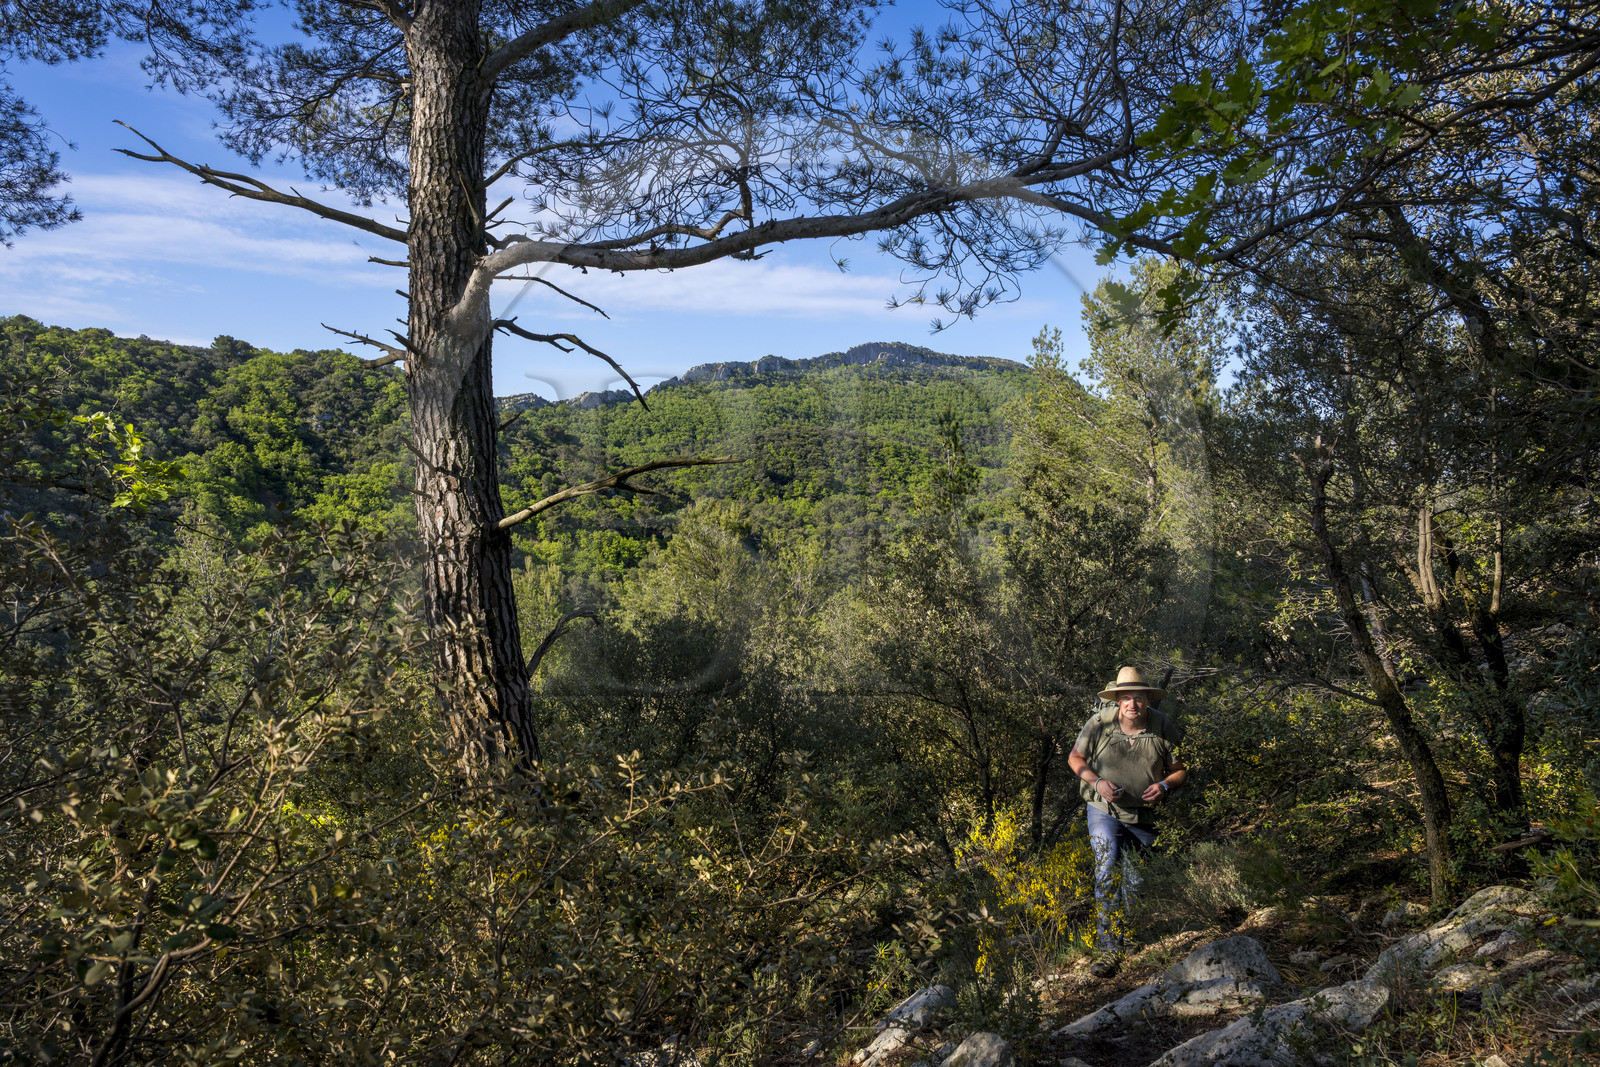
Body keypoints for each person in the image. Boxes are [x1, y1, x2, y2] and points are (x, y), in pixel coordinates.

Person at [1067, 666, 1187, 978]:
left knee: (1136, 881)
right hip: (1103, 809)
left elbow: (1179, 770)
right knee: (1107, 869)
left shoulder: (1162, 726)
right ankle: (1109, 947)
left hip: (1143, 815)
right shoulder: (1100, 723)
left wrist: (1164, 786)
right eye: (1126, 698)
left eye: (1139, 698)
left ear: (1148, 699)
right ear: (1118, 701)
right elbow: (1075, 759)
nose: (1132, 704)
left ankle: (1129, 937)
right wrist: (1097, 784)